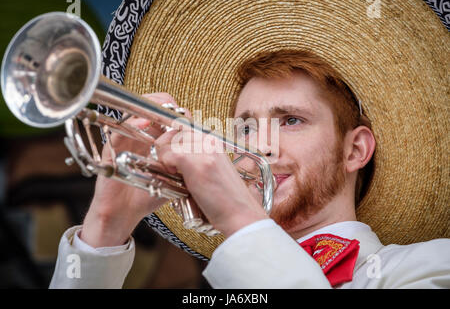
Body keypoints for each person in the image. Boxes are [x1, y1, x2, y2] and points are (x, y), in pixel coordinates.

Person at [49, 49, 450, 289]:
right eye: (244, 128)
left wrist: (239, 216)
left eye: (291, 120)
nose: (257, 145)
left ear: (354, 151)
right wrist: (104, 227)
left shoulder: (430, 265)